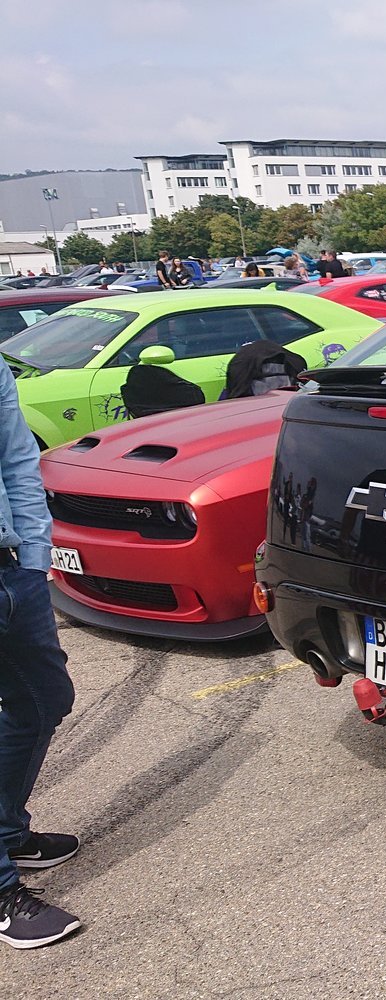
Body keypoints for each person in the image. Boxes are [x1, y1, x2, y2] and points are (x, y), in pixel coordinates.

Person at [0, 359, 83, 949]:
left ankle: (7, 834)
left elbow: (16, 459)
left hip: (11, 570)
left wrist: (33, 557)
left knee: (44, 700)